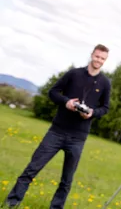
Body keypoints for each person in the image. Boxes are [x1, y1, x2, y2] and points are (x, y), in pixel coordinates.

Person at [4, 44, 112, 209]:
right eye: (97, 56)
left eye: (102, 59)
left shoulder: (105, 83)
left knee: (66, 180)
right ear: (92, 55)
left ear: (105, 60)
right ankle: (12, 203)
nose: (99, 60)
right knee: (32, 169)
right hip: (57, 131)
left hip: (78, 137)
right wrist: (66, 102)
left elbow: (105, 108)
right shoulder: (74, 74)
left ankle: (56, 207)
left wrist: (92, 113)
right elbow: (52, 92)